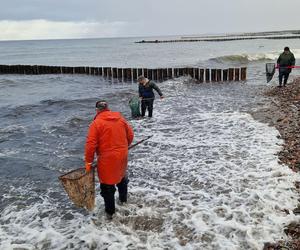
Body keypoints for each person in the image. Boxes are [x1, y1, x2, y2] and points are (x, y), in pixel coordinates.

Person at [85, 100, 134, 219]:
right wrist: (123, 147)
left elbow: (91, 144)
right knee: (121, 178)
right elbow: (131, 135)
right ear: (108, 108)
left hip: (107, 158)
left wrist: (88, 162)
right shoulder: (120, 118)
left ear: (97, 110)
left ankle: (110, 214)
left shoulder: (96, 123)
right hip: (122, 154)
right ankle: (123, 201)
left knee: (107, 186)